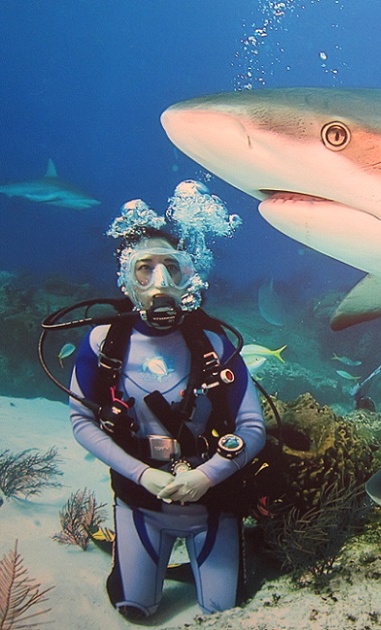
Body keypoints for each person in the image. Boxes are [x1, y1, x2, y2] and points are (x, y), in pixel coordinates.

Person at [68, 186, 264, 620]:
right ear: (125, 280)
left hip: (212, 502)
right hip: (140, 500)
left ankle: (194, 562)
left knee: (221, 609)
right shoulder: (105, 343)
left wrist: (207, 478)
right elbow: (82, 420)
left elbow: (252, 426)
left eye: (171, 269)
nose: (160, 282)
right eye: (145, 270)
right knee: (133, 607)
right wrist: (142, 475)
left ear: (188, 277)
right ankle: (143, 554)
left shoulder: (213, 344)